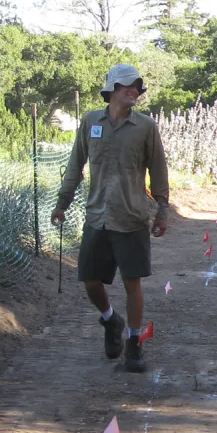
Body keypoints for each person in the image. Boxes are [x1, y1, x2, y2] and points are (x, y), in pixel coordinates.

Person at [51, 64, 169, 373]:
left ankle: (133, 344)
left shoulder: (145, 127)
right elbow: (75, 166)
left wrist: (162, 210)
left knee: (133, 283)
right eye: (130, 86)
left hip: (131, 218)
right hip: (97, 216)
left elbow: (158, 171)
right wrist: (62, 203)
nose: (136, 92)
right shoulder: (91, 121)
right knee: (90, 281)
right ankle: (110, 320)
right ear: (113, 87)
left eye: (139, 88)